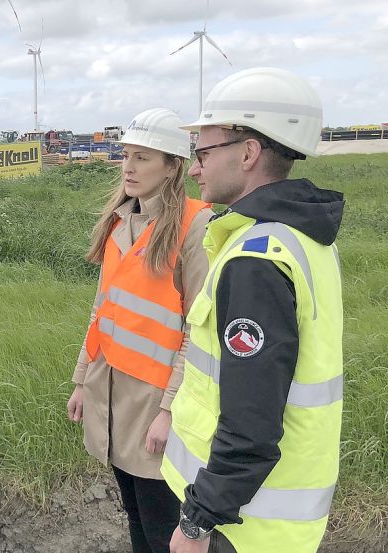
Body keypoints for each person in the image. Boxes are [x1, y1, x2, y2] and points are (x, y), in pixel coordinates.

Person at [161, 68, 344, 553]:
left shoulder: (256, 261)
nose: (194, 169)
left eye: (202, 153)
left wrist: (197, 523)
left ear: (247, 153)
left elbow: (252, 421)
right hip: (270, 520)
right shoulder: (298, 237)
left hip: (243, 528)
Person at [67, 108, 214, 553]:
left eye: (143, 158)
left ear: (174, 166)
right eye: (126, 156)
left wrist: (170, 410)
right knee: (134, 516)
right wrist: (81, 380)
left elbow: (199, 330)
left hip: (155, 403)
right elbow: (102, 310)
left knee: (162, 526)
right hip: (110, 392)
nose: (128, 167)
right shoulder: (119, 223)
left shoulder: (195, 226)